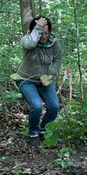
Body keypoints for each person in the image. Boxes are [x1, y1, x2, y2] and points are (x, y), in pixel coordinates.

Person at [13, 15, 62, 147]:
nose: (44, 36)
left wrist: (51, 73)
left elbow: (57, 60)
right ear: (35, 30)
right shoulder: (28, 39)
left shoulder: (54, 42)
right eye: (41, 33)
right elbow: (30, 43)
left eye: (46, 33)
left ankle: (43, 130)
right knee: (36, 106)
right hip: (25, 79)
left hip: (44, 79)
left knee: (54, 106)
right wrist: (38, 27)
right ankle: (33, 134)